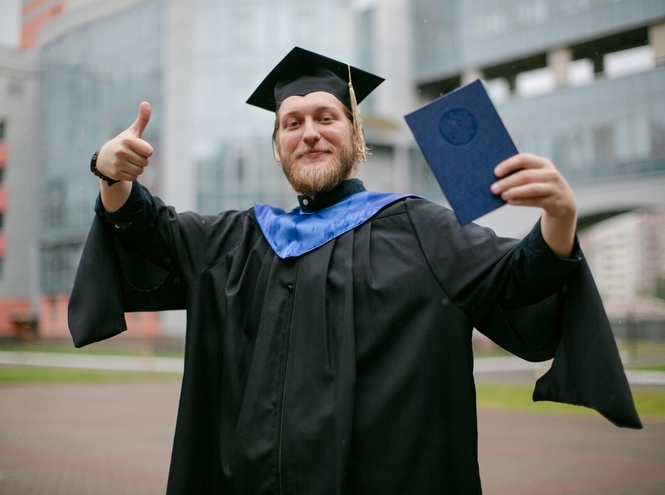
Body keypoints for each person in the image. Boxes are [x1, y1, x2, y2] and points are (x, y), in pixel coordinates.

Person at [69, 47, 641, 495]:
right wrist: (112, 176)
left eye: (326, 117)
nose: (309, 131)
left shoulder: (421, 229)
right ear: (277, 148)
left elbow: (521, 277)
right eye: (291, 123)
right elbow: (150, 231)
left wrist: (560, 219)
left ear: (355, 137)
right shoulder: (240, 240)